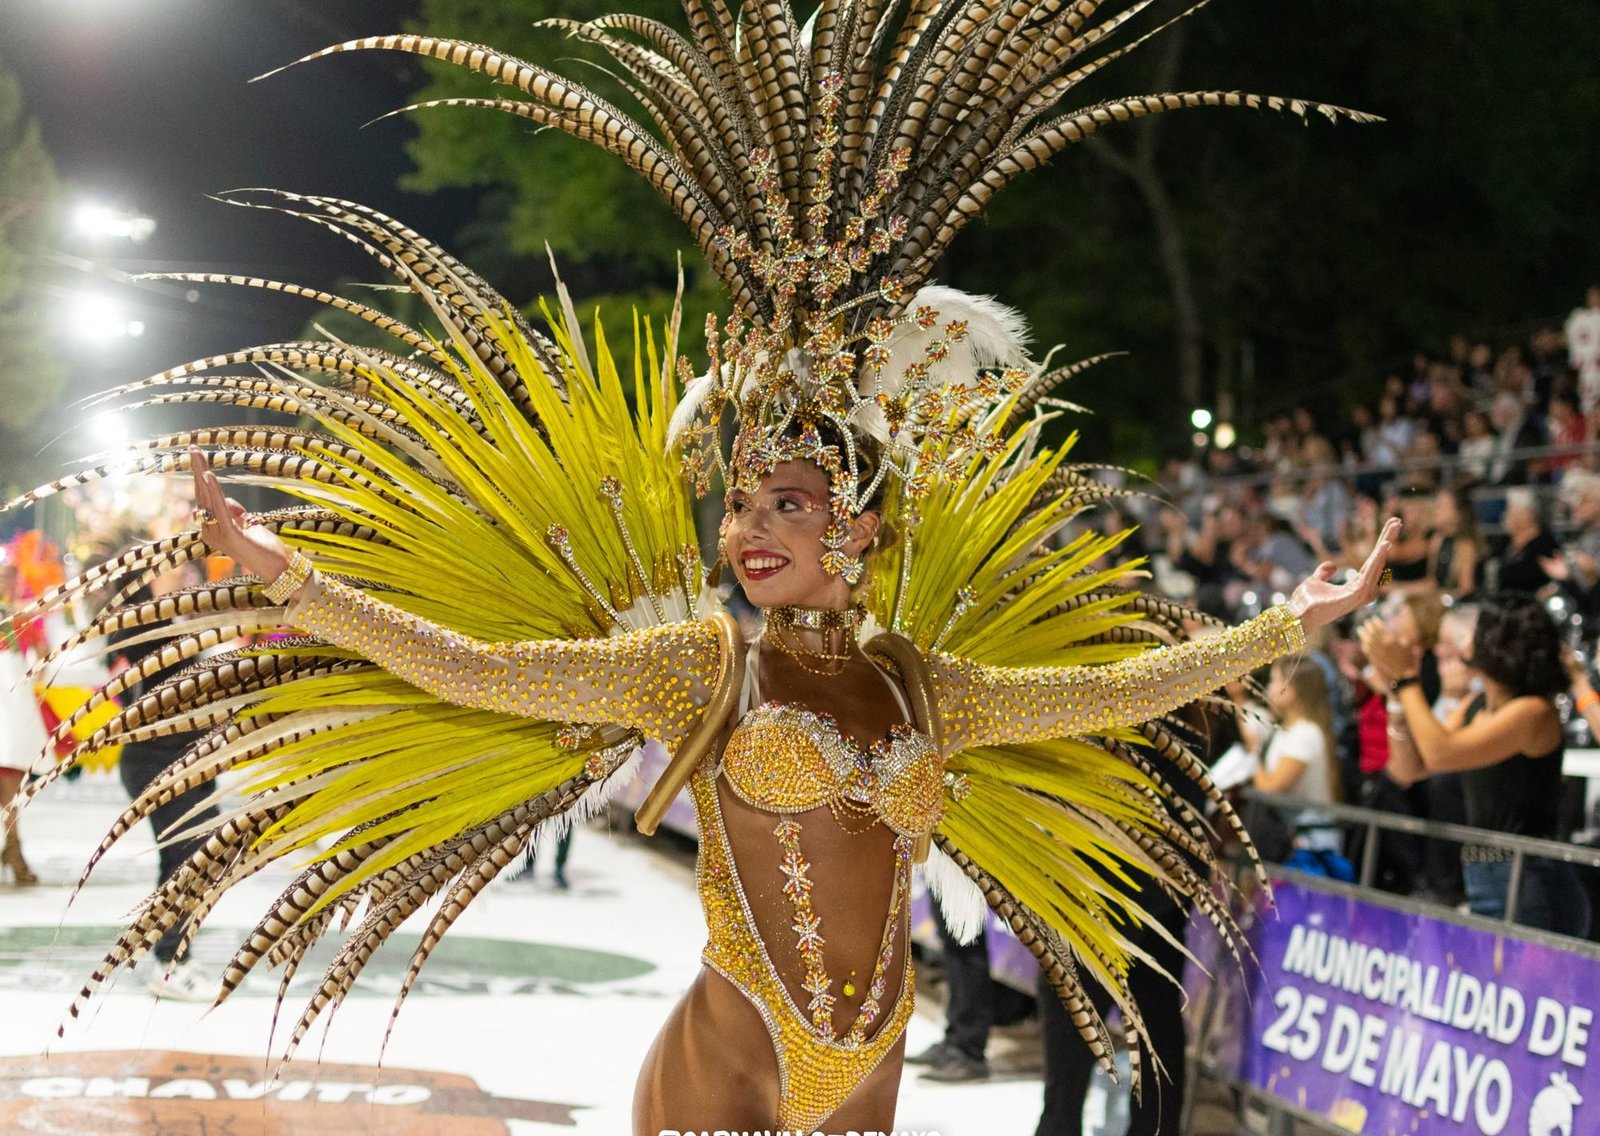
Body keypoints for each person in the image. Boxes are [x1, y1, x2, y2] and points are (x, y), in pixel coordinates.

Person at [3, 7, 1395, 1132]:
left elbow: (1117, 692)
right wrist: (289, 577)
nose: (748, 531)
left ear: (860, 530)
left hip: (869, 1049)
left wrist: (1287, 623)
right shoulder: (697, 663)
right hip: (728, 1052)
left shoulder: (931, 684)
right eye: (738, 506)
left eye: (787, 502)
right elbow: (479, 669)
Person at [1362, 595, 1589, 937]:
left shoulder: (1533, 712)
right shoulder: (1476, 704)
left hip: (1531, 882)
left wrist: (1408, 679)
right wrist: (1396, 693)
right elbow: (1410, 768)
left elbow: (1441, 753)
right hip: (1486, 877)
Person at [106, 568, 221, 999]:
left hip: (181, 759)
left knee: (184, 859)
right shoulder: (146, 630)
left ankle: (169, 955)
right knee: (193, 860)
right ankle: (170, 964)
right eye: (173, 566)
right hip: (161, 761)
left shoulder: (166, 627)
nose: (186, 570)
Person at [0, 557, 44, 885]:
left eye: (9, 577)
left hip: (11, 704)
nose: (5, 583)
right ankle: (13, 849)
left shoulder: (18, 615)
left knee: (11, 775)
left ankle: (14, 846)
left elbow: (43, 650)